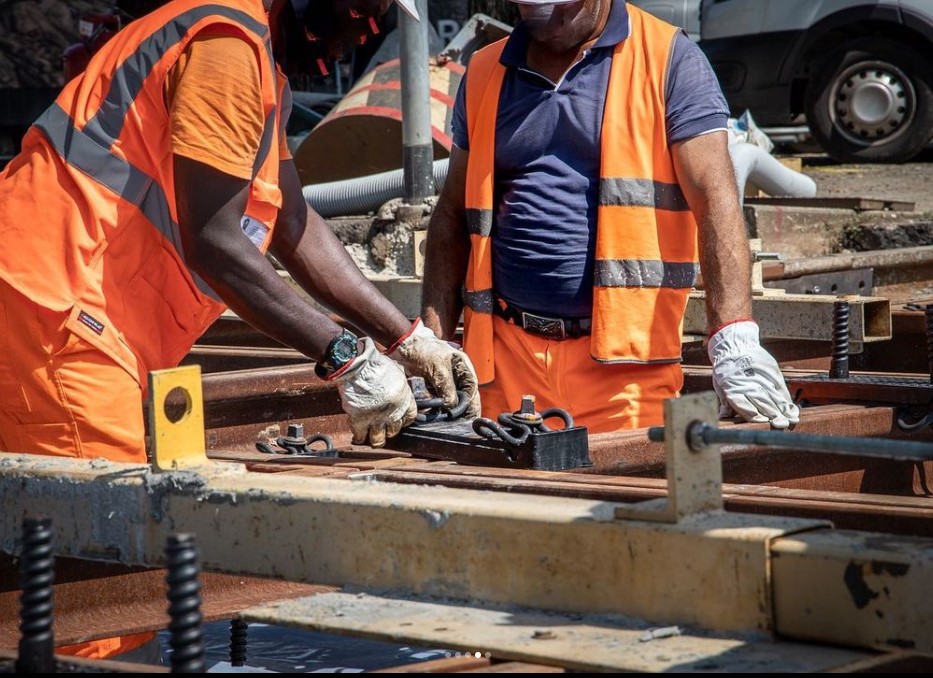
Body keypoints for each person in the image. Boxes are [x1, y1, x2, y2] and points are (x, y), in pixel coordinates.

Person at [0, 0, 478, 662]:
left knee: (77, 570)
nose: (356, 40)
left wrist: (406, 339)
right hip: (55, 310)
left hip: (67, 311)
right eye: (358, 15)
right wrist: (346, 358)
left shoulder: (256, 65)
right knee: (102, 586)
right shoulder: (225, 44)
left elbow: (295, 227)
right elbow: (216, 242)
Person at [421, 0, 799, 433]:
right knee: (506, 498)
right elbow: (452, 214)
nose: (550, 23)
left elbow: (716, 203)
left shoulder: (668, 59)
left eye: (561, 7)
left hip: (625, 377)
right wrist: (433, 344)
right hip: (505, 366)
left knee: (625, 495)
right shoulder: (487, 70)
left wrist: (734, 338)